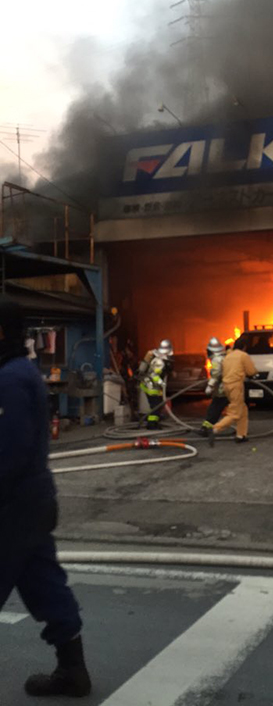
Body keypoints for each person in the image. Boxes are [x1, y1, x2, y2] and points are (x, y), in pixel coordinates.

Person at [0, 297, 92, 697]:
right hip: (32, 502)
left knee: (42, 581)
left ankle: (73, 671)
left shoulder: (8, 379)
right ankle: (73, 672)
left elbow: (9, 453)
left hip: (11, 507)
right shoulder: (19, 372)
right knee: (43, 583)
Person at [211, 338, 257, 443]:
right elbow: (251, 371)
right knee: (235, 413)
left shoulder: (228, 356)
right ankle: (215, 428)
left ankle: (241, 435)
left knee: (243, 410)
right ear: (244, 346)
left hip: (226, 385)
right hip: (236, 385)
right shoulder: (243, 355)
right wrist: (253, 373)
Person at [138, 339, 173, 430]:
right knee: (156, 406)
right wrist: (162, 383)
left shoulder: (158, 358)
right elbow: (153, 375)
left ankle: (154, 421)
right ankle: (151, 424)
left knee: (158, 405)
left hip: (152, 386)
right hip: (151, 386)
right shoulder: (159, 362)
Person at [201, 336, 228, 445]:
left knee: (215, 408)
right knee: (217, 408)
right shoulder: (224, 356)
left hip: (221, 389)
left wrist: (210, 386)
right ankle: (208, 427)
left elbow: (216, 374)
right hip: (226, 387)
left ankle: (208, 428)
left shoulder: (216, 359)